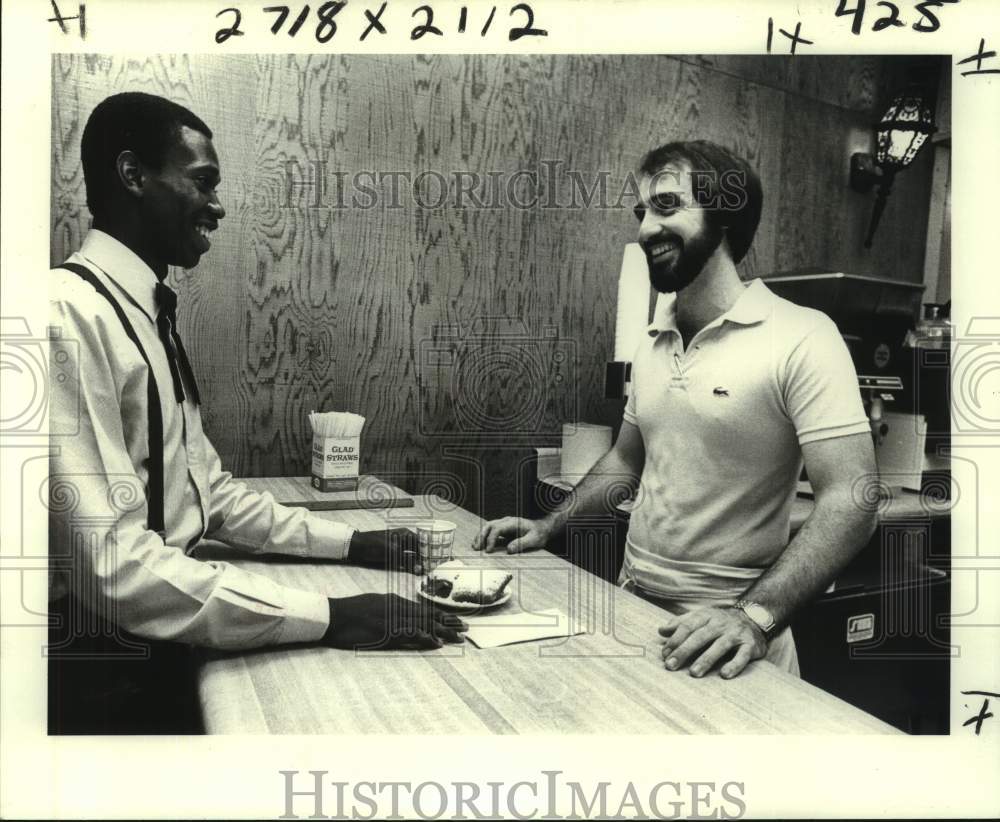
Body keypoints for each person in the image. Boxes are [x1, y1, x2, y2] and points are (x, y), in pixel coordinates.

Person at [48, 92, 465, 733]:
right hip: (102, 666)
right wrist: (333, 615)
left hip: (163, 633)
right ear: (133, 176)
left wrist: (353, 543)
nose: (217, 206)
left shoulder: (145, 312)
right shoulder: (65, 314)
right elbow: (112, 568)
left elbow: (208, 495)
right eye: (203, 181)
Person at [475, 140, 877, 679]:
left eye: (666, 207)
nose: (644, 231)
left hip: (728, 639)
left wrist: (752, 619)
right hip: (634, 608)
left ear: (726, 214)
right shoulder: (655, 338)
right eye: (642, 213)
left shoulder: (803, 336)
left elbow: (853, 499)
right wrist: (548, 527)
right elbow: (624, 461)